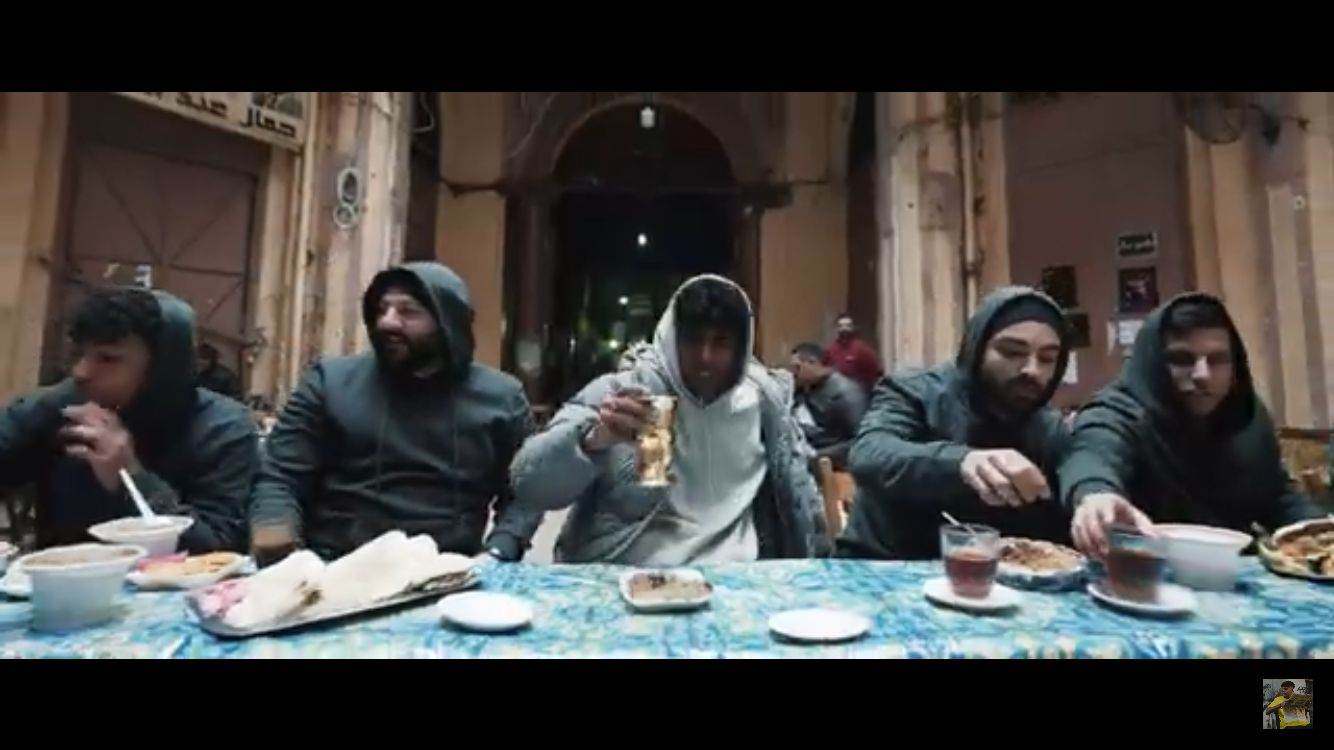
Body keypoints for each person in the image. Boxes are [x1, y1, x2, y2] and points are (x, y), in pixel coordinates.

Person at [510, 274, 825, 564]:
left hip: (738, 578)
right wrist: (591, 441)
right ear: (672, 340)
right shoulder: (628, 392)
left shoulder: (765, 404)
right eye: (693, 341)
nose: (705, 357)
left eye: (720, 343)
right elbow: (529, 484)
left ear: (741, 348)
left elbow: (801, 497)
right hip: (630, 573)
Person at [248, 262, 543, 565]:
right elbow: (280, 474)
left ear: (448, 322)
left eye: (408, 311)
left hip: (449, 570)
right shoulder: (329, 382)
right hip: (334, 565)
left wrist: (499, 551)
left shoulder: (502, 398)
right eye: (382, 310)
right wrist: (277, 541)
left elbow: (529, 492)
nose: (387, 322)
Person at [1059, 293, 1320, 559]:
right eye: (1182, 360)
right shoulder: (1120, 411)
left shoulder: (1245, 417)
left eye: (1217, 360)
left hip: (1232, 570)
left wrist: (1318, 531)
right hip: (1142, 572)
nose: (1202, 375)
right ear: (1153, 364)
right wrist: (1096, 495)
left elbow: (1276, 495)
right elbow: (1095, 450)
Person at [0, 287, 258, 551]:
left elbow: (218, 547)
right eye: (78, 354)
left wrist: (131, 477)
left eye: (107, 358)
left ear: (162, 368)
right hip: (59, 574)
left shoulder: (222, 429)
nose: (80, 372)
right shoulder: (60, 406)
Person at [837, 287, 1073, 560]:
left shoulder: (1048, 426)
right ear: (976, 348)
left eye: (1047, 359)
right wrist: (963, 462)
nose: (1032, 370)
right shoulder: (914, 390)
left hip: (994, 574)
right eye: (1012, 352)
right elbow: (869, 453)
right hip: (885, 565)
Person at [789, 342, 867, 470]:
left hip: (834, 465)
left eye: (797, 368)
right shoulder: (804, 388)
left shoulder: (846, 393)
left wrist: (814, 456)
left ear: (812, 363)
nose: (793, 374)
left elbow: (860, 441)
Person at [824, 313, 883, 393]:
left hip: (859, 392)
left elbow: (876, 371)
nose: (844, 329)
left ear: (852, 328)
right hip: (836, 393)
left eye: (848, 326)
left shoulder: (862, 349)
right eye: (840, 326)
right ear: (836, 329)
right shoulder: (830, 351)